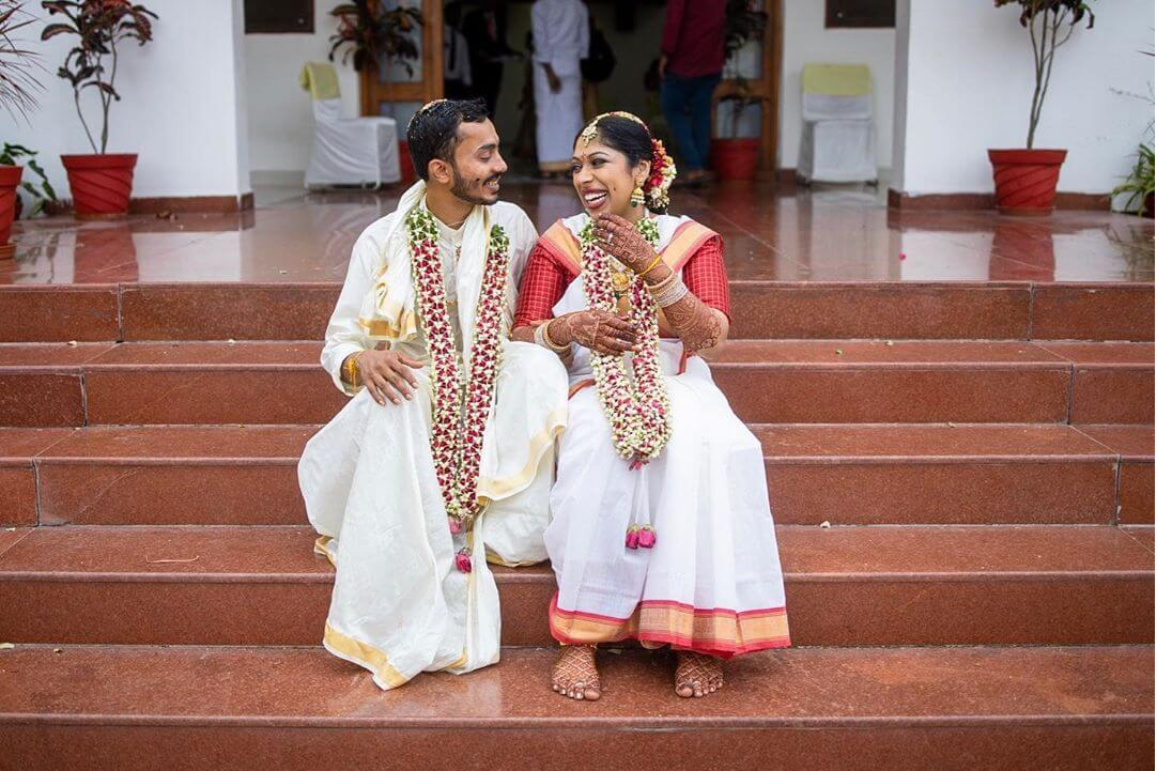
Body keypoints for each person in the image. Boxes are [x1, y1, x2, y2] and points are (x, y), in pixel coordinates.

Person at [511, 112, 791, 701]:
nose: (584, 177)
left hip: (678, 377)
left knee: (712, 444)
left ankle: (695, 638)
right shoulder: (558, 244)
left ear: (641, 170)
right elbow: (522, 333)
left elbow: (711, 334)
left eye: (598, 163)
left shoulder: (690, 239)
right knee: (595, 446)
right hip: (591, 382)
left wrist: (651, 265)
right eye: (577, 166)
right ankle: (581, 637)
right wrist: (570, 327)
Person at [298, 99, 569, 691]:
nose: (501, 165)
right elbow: (337, 341)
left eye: (497, 149)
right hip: (413, 394)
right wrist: (361, 360)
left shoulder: (513, 227)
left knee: (538, 368)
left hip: (493, 394)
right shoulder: (382, 238)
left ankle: (490, 511)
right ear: (441, 171)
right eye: (485, 154)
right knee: (400, 393)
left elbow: (531, 322)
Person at [660, 0, 726, 185]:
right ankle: (700, 167)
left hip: (683, 61)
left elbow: (674, 21)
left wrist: (666, 53)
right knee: (701, 113)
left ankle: (694, 166)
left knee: (672, 109)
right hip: (711, 61)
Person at [531, 0, 589, 179]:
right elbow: (583, 41)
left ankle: (548, 166)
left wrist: (549, 71)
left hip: (547, 67)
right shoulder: (578, 5)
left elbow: (541, 40)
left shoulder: (540, 6)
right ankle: (570, 164)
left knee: (547, 115)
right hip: (571, 63)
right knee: (571, 116)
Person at [462, 0, 516, 116]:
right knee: (476, 103)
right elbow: (466, 42)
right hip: (477, 70)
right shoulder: (472, 17)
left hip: (495, 70)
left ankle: (488, 129)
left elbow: (501, 43)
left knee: (491, 103)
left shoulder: (500, 18)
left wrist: (512, 53)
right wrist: (479, 53)